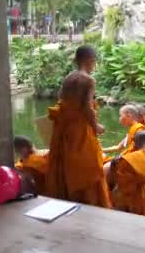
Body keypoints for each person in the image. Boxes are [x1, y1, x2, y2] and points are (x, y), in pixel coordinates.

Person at [44, 71, 111, 208]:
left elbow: (61, 98)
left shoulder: (68, 78)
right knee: (88, 168)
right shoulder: (88, 80)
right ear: (91, 61)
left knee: (64, 163)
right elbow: (87, 106)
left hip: (64, 129)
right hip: (80, 130)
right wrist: (96, 126)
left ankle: (65, 200)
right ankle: (89, 203)